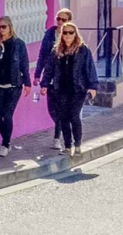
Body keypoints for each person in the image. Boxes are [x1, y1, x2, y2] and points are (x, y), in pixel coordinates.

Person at [41, 21, 98, 156]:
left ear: (75, 34)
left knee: (74, 116)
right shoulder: (56, 51)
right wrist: (44, 84)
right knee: (63, 117)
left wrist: (92, 86)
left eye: (70, 33)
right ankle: (67, 146)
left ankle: (77, 144)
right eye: (65, 33)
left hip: (78, 89)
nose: (67, 35)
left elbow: (89, 68)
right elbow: (49, 69)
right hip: (60, 89)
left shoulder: (83, 50)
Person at [0, 16, 31, 157]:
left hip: (14, 85)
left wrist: (27, 83)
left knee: (7, 115)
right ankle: (7, 140)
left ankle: (5, 145)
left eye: (3, 26)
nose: (1, 29)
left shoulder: (18, 44)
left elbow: (24, 65)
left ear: (10, 27)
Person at [37, 8, 75, 150]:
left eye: (63, 19)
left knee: (61, 108)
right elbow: (42, 55)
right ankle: (63, 126)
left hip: (65, 79)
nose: (60, 22)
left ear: (69, 21)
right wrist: (38, 74)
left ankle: (57, 137)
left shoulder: (72, 37)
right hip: (50, 76)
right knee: (52, 109)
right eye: (58, 19)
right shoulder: (49, 34)